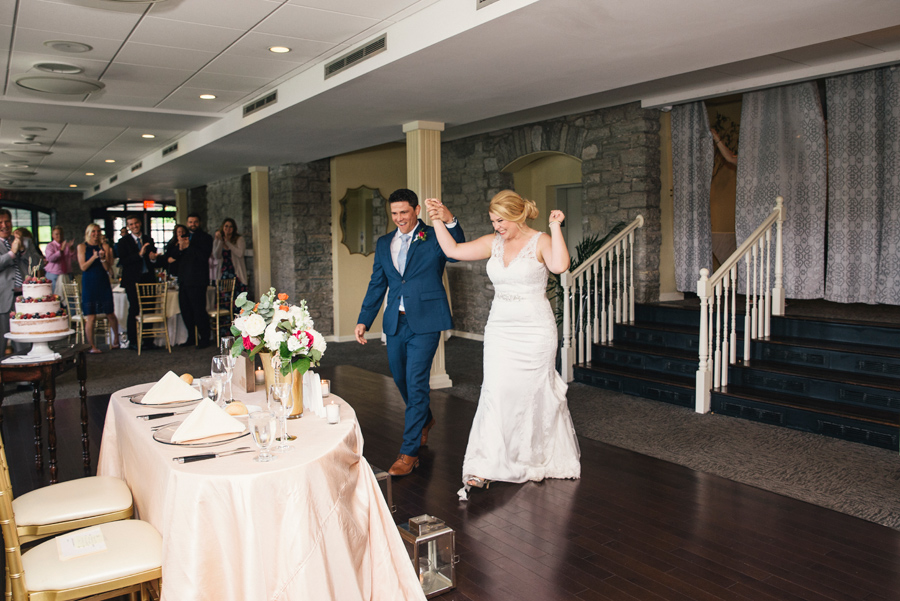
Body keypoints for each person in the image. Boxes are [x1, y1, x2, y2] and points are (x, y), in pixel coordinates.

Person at [425, 190, 581, 500]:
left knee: (531, 392)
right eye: (493, 220)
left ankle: (531, 455)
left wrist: (554, 227)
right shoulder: (492, 243)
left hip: (535, 330)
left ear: (518, 215)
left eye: (501, 220)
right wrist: (438, 220)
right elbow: (453, 251)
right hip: (500, 329)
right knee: (496, 392)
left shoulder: (540, 241)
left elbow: (560, 265)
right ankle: (487, 464)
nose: (497, 226)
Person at [356, 188, 465, 477]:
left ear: (416, 210)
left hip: (426, 321)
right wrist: (364, 319)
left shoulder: (433, 236)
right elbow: (377, 283)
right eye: (394, 213)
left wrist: (449, 219)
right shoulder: (383, 243)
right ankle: (425, 420)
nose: (399, 218)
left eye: (404, 212)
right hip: (395, 321)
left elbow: (457, 251)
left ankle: (409, 452)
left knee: (416, 382)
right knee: (401, 377)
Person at [116, 215, 158, 351]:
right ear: (128, 227)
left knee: (149, 309)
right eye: (131, 224)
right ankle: (133, 341)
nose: (134, 226)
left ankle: (148, 341)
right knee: (134, 309)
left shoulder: (148, 239)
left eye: (136, 223)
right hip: (132, 281)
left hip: (148, 279)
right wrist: (139, 254)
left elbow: (153, 258)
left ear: (139, 224)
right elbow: (123, 261)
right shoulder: (123, 242)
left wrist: (152, 259)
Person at [77, 224, 120, 353]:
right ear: (88, 233)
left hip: (103, 282)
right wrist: (94, 257)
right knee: (91, 316)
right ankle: (92, 346)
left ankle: (116, 340)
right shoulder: (82, 247)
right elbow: (83, 267)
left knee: (110, 313)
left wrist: (102, 259)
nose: (95, 234)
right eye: (93, 232)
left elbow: (108, 268)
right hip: (89, 283)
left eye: (97, 231)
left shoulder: (105, 247)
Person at [173, 213, 213, 348]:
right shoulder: (182, 237)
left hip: (197, 281)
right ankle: (191, 336)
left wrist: (189, 246)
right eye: (190, 222)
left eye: (195, 222)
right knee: (186, 310)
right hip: (183, 279)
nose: (192, 224)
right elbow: (177, 258)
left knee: (199, 310)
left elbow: (204, 256)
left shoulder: (205, 238)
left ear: (199, 223)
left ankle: (205, 338)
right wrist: (180, 248)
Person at [0, 210, 28, 356]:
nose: (4, 225)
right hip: (2, 299)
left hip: (23, 298)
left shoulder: (20, 240)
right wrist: (11, 253)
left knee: (23, 340)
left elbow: (37, 263)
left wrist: (22, 249)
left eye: (7, 221)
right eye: (0, 222)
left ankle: (26, 376)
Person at [212, 218, 248, 294]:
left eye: (231, 227)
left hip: (236, 272)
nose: (228, 229)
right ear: (223, 227)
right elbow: (216, 256)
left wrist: (228, 243)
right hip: (223, 273)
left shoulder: (239, 239)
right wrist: (221, 241)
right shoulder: (218, 240)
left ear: (234, 228)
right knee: (224, 297)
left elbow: (240, 254)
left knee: (237, 297)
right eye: (226, 226)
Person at [44, 226, 76, 293]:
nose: (59, 236)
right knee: (54, 296)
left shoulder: (67, 245)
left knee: (68, 296)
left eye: (61, 234)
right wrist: (60, 251)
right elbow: (50, 258)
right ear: (52, 235)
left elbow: (75, 259)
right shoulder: (50, 246)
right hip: (54, 275)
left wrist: (72, 249)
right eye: (56, 234)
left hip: (67, 274)